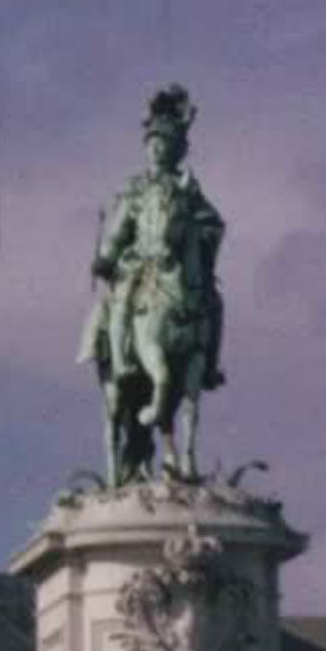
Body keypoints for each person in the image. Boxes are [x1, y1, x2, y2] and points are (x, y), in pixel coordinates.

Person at [79, 85, 227, 428]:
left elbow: (213, 223)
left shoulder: (188, 189)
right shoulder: (135, 188)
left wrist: (200, 238)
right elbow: (117, 231)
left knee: (215, 304)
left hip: (178, 267)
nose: (157, 149)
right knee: (122, 301)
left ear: (177, 150)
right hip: (140, 265)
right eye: (153, 143)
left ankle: (210, 365)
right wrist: (106, 257)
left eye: (165, 143)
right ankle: (121, 361)